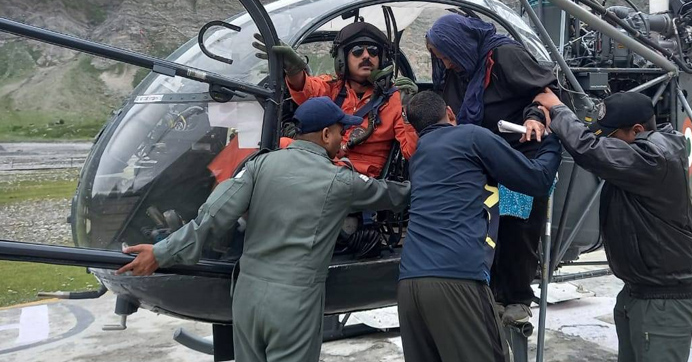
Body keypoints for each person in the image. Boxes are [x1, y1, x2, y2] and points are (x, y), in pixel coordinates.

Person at [117, 97, 410, 362]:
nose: (342, 139)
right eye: (339, 132)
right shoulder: (340, 180)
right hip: (293, 304)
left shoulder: (259, 165)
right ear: (325, 134)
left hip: (247, 296)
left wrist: (160, 252)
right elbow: (393, 195)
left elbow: (212, 218)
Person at [533, 89, 692, 362]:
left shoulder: (655, 158)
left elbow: (592, 151)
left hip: (663, 301)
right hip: (637, 292)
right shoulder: (643, 154)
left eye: (612, 137)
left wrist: (560, 110)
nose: (608, 143)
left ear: (637, 130)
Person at [397, 91, 561, 362]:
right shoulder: (471, 136)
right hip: (458, 281)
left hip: (409, 286)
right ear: (450, 112)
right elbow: (538, 179)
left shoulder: (419, 157)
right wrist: (553, 139)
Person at [425, 13, 558, 324]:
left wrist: (534, 117)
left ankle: (517, 297)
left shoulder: (503, 56)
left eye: (447, 56)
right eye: (440, 58)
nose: (445, 64)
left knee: (515, 227)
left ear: (460, 44)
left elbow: (545, 94)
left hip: (517, 155)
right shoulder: (458, 70)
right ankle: (487, 293)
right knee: (484, 229)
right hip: (480, 161)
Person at [255, 22, 417, 178]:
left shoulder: (395, 98)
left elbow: (411, 151)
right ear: (342, 58)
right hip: (322, 166)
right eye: (358, 51)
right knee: (281, 144)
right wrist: (294, 70)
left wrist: (408, 110)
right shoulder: (332, 87)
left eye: (374, 51)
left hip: (358, 181)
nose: (367, 56)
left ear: (382, 59)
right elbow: (305, 90)